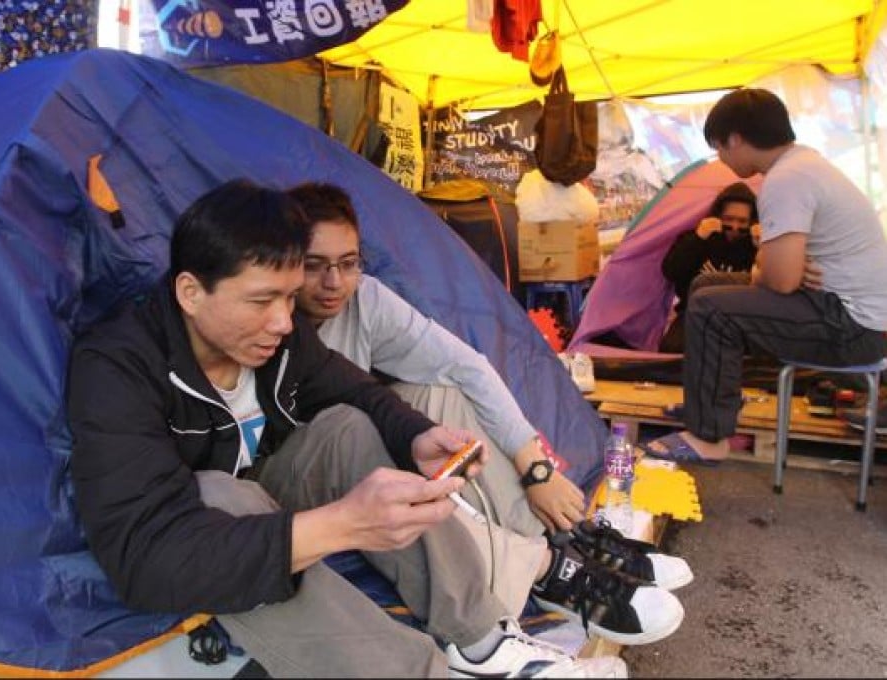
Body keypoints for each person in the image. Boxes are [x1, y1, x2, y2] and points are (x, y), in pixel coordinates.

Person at [68, 179, 661, 678]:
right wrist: (340, 524)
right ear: (191, 292)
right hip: (207, 527)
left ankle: (483, 642)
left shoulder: (279, 338)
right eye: (261, 301)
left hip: (274, 497)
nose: (283, 321)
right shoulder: (118, 367)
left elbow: (355, 390)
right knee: (221, 494)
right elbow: (142, 556)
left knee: (346, 426)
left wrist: (415, 436)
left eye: (289, 298)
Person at [286, 182, 693, 602]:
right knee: (351, 425)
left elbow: (466, 366)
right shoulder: (266, 318)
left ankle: (559, 537)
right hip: (305, 481)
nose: (333, 281)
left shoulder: (363, 298)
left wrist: (537, 469)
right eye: (314, 265)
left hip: (360, 454)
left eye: (347, 263)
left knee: (441, 393)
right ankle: (535, 571)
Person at [645, 88, 887, 464]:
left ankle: (709, 437)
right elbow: (783, 271)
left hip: (852, 328)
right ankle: (711, 403)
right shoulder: (804, 164)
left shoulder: (786, 179)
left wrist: (768, 267)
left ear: (737, 138)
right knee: (707, 286)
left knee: (711, 307)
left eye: (720, 148)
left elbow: (782, 280)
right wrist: (774, 264)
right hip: (846, 312)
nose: (721, 159)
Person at [658, 182, 760, 353]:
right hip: (695, 314)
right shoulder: (698, 238)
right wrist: (698, 238)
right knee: (673, 348)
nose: (735, 227)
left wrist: (762, 248)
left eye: (742, 221)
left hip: (742, 317)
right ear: (718, 216)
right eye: (729, 219)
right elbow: (670, 271)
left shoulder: (756, 245)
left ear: (752, 222)